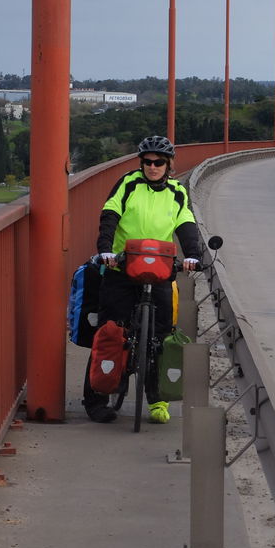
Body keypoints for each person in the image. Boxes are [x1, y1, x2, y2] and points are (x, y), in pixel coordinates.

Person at [84, 135, 202, 424]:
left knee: (161, 337)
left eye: (158, 162)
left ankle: (158, 400)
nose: (152, 167)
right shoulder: (128, 184)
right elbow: (109, 215)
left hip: (159, 269)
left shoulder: (177, 192)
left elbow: (186, 223)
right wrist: (106, 251)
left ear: (169, 165)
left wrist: (194, 255)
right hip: (122, 267)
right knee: (111, 332)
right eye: (147, 162)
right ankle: (97, 400)